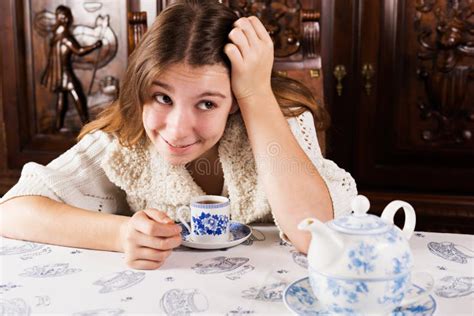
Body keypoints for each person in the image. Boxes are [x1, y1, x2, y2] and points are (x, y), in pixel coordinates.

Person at [0, 0, 357, 270]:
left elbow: (315, 234)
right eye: (162, 98)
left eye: (206, 104)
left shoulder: (280, 121)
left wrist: (256, 95)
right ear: (141, 88)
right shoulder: (127, 136)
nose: (177, 129)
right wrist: (120, 234)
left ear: (233, 100)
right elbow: (12, 211)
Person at [41, 5, 102, 131]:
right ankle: (86, 124)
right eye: (68, 17)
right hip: (65, 74)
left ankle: (58, 125)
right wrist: (95, 45)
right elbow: (79, 50)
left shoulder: (56, 36)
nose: (71, 19)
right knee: (77, 95)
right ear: (65, 19)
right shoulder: (65, 37)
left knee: (62, 98)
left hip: (60, 73)